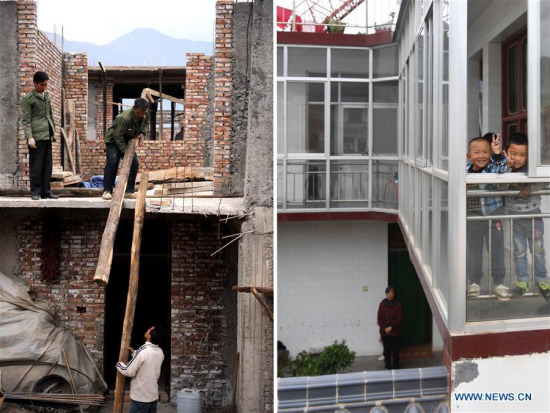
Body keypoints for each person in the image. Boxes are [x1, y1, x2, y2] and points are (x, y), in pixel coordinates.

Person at [501, 133, 550, 299]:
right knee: (520, 252)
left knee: (538, 251)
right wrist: (506, 167)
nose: (518, 158)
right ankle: (522, 281)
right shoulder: (502, 168)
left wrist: (531, 186)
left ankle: (542, 280)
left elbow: (544, 182)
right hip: (515, 218)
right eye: (513, 154)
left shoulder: (532, 168)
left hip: (534, 218)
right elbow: (500, 187)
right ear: (505, 152)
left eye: (523, 155)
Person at [466, 135, 509, 300]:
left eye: (486, 152)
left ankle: (499, 283)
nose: (482, 155)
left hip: (493, 214)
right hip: (472, 216)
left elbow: (502, 170)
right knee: (474, 250)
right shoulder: (465, 171)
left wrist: (498, 155)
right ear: (469, 156)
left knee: (497, 249)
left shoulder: (492, 167)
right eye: (477, 152)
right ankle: (475, 282)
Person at [21, 71, 59, 200]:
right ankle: (35, 192)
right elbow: (26, 120)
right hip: (36, 137)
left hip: (47, 135)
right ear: (35, 83)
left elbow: (50, 115)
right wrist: (29, 137)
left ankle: (46, 191)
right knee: (36, 166)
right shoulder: (28, 99)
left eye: (46, 85)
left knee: (47, 166)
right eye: (42, 85)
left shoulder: (46, 96)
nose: (44, 87)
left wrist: (53, 132)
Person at [102, 98, 149, 200]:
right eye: (138, 113)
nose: (140, 115)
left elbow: (145, 124)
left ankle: (129, 191)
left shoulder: (144, 114)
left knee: (134, 164)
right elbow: (117, 137)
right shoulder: (123, 118)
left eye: (142, 113)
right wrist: (125, 153)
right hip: (113, 140)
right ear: (133, 108)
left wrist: (142, 132)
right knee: (113, 162)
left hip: (127, 139)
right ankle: (107, 191)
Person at [116, 326, 165, 413]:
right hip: (152, 396)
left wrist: (120, 365)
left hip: (141, 398)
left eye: (149, 329)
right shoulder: (160, 352)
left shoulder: (142, 352)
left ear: (149, 336)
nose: (147, 329)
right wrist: (134, 352)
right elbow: (147, 359)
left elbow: (129, 371)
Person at [377, 286, 402, 370]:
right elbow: (379, 318)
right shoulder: (382, 304)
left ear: (394, 294)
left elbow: (399, 319)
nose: (390, 294)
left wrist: (391, 327)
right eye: (388, 293)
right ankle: (388, 366)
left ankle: (396, 367)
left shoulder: (398, 305)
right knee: (386, 352)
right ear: (386, 294)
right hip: (385, 333)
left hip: (395, 333)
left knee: (395, 352)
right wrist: (385, 328)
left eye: (392, 293)